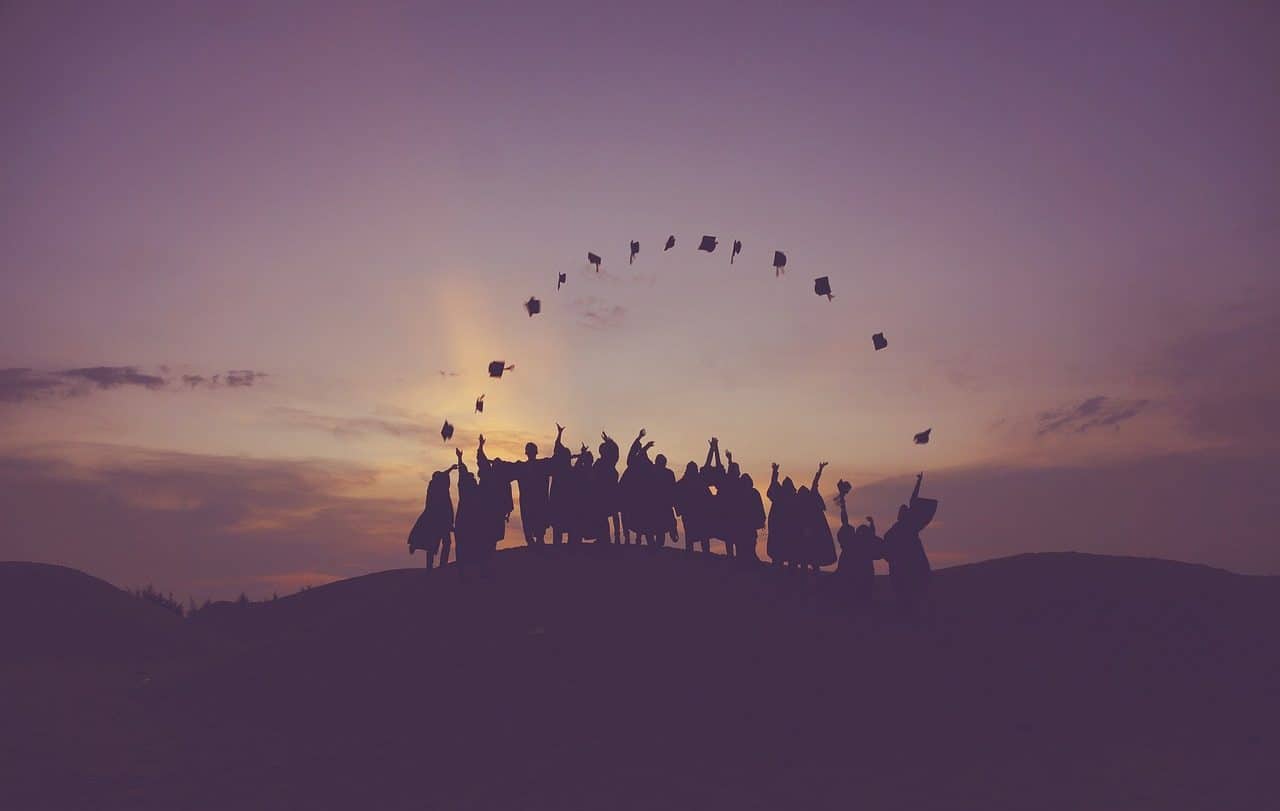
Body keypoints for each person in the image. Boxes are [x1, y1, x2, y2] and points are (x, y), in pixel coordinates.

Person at [882, 472, 936, 617]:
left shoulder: (907, 526)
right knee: (908, 590)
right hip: (906, 564)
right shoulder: (902, 528)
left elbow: (913, 500)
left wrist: (918, 482)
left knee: (913, 589)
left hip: (912, 562)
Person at [833, 479, 881, 611]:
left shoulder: (853, 543)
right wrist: (842, 500)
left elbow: (845, 520)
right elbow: (845, 519)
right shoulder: (857, 544)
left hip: (857, 577)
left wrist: (842, 500)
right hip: (856, 578)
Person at [510, 427, 560, 547]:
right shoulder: (538, 466)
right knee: (533, 528)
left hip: (535, 502)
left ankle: (536, 543)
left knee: (535, 528)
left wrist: (559, 435)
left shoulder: (527, 467)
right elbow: (558, 458)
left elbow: (558, 458)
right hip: (533, 502)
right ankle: (535, 543)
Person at [407, 462, 457, 571]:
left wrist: (450, 469)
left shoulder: (437, 488)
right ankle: (435, 566)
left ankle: (438, 565)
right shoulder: (435, 489)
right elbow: (443, 476)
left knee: (439, 543)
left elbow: (443, 475)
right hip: (437, 520)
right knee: (434, 543)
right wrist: (450, 469)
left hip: (441, 521)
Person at [795, 462, 837, 572]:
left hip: (813, 533)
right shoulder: (804, 505)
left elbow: (815, 483)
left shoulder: (806, 503)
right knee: (809, 557)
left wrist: (820, 470)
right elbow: (815, 484)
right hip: (811, 533)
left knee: (810, 557)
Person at [452, 449, 483, 580]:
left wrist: (460, 458)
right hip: (468, 521)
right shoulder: (473, 490)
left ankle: (464, 571)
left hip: (465, 521)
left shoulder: (466, 489)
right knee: (466, 546)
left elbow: (462, 473)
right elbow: (462, 473)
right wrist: (459, 459)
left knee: (463, 546)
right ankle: (465, 572)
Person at [675, 461, 712, 554]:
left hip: (698, 514)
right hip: (693, 514)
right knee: (699, 537)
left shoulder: (695, 482)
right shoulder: (692, 482)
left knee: (697, 537)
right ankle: (699, 555)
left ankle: (696, 555)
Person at [766, 463, 797, 568]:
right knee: (779, 555)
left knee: (788, 555)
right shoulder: (780, 496)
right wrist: (774, 473)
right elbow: (773, 487)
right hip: (779, 529)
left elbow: (773, 487)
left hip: (788, 531)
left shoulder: (790, 499)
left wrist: (774, 473)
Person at [595, 432, 622, 543]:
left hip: (606, 491)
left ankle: (607, 538)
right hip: (610, 490)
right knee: (611, 514)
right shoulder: (611, 462)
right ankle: (612, 538)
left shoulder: (604, 463)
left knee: (604, 514)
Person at [548, 424, 573, 545]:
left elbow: (557, 447)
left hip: (560, 500)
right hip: (561, 501)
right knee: (562, 526)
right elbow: (557, 447)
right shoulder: (567, 469)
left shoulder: (557, 469)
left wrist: (559, 434)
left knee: (559, 527)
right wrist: (559, 434)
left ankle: (559, 548)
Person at [647, 453, 678, 548]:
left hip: (658, 505)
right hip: (660, 505)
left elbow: (673, 489)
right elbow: (673, 490)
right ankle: (672, 530)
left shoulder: (652, 471)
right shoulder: (668, 473)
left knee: (656, 529)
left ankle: (672, 530)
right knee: (658, 529)